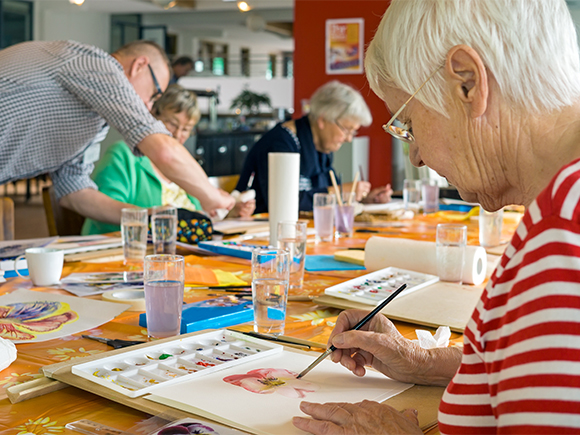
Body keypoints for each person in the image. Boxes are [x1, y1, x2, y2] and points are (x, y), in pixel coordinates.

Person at [292, 0, 580, 433]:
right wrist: (421, 361)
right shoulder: (561, 204)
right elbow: (529, 359)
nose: (417, 155)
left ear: (467, 82)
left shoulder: (562, 242)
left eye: (408, 123)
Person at [0, 40, 234, 226]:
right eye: (153, 94)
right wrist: (213, 196)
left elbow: (74, 191)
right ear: (139, 66)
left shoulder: (93, 119)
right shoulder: (97, 64)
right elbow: (164, 151)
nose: (148, 107)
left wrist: (149, 216)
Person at [82, 85, 255, 235]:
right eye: (171, 123)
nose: (178, 135)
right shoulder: (123, 154)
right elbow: (101, 216)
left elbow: (198, 215)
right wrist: (153, 215)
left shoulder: (183, 164)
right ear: (152, 116)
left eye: (186, 129)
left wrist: (229, 214)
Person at [235, 81, 393, 213]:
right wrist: (338, 192)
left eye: (354, 132)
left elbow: (327, 189)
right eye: (346, 130)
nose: (349, 139)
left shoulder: (322, 147)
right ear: (323, 120)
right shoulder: (280, 143)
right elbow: (283, 203)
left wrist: (363, 197)